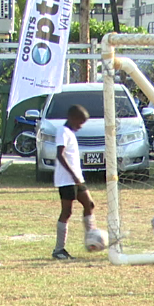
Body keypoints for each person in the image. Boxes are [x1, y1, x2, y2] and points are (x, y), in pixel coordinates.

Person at [52, 104, 100, 260]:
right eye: (80, 122)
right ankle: (59, 249)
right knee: (67, 212)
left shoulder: (70, 133)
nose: (81, 126)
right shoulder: (63, 131)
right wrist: (72, 175)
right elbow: (60, 155)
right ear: (72, 118)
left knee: (89, 204)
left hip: (76, 178)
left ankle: (91, 239)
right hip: (67, 179)